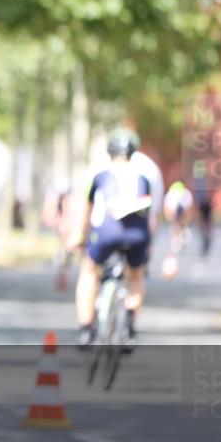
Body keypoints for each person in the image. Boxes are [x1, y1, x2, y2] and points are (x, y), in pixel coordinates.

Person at [72, 129, 156, 352]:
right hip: (138, 234)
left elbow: (86, 211)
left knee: (89, 270)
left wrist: (78, 237)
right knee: (136, 275)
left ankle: (85, 329)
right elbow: (151, 218)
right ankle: (129, 327)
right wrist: (150, 246)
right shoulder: (144, 177)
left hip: (107, 231)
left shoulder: (100, 174)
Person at [163, 180, 195, 255]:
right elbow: (168, 209)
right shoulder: (171, 195)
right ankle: (177, 240)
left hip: (181, 209)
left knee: (179, 224)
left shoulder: (185, 194)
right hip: (176, 209)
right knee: (176, 224)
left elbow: (188, 208)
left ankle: (182, 236)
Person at [192, 160, 214, 256]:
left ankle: (207, 238)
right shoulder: (202, 180)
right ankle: (207, 238)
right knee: (205, 223)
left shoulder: (200, 181)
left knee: (204, 223)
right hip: (204, 204)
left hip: (204, 204)